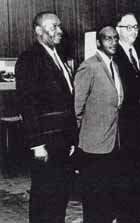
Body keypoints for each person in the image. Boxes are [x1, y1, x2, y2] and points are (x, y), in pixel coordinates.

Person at [15, 11, 77, 223]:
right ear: (39, 31)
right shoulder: (29, 59)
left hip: (62, 142)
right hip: (46, 144)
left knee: (59, 196)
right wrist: (37, 144)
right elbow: (27, 104)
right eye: (53, 27)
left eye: (59, 26)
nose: (59, 31)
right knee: (43, 196)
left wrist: (71, 139)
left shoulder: (57, 56)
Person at [74, 26, 124, 223]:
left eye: (115, 38)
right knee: (94, 199)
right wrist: (81, 138)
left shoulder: (115, 65)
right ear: (98, 43)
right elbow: (77, 107)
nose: (112, 42)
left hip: (112, 143)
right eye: (107, 39)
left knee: (107, 197)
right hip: (93, 146)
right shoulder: (89, 66)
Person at [114, 13, 140, 223]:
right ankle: (126, 218)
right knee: (124, 174)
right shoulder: (114, 53)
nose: (134, 31)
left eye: (136, 27)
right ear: (118, 29)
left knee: (139, 171)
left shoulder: (139, 52)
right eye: (128, 27)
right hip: (123, 126)